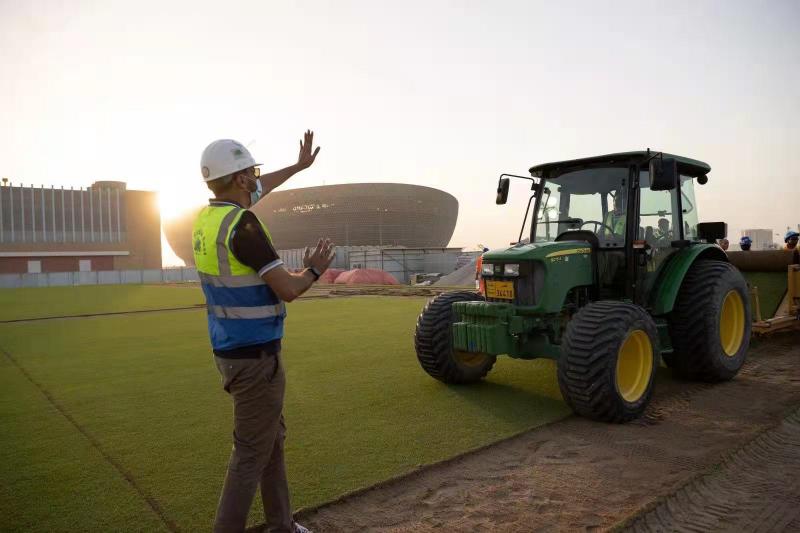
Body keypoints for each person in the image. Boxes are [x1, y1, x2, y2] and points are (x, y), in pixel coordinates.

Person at [194, 132, 333, 533]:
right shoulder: (244, 225)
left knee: (270, 443)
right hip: (256, 360)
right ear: (238, 180)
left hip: (232, 352)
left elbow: (262, 187)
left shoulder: (208, 220)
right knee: (250, 454)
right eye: (250, 173)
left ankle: (282, 526)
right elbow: (288, 290)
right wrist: (314, 269)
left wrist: (299, 167)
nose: (257, 179)